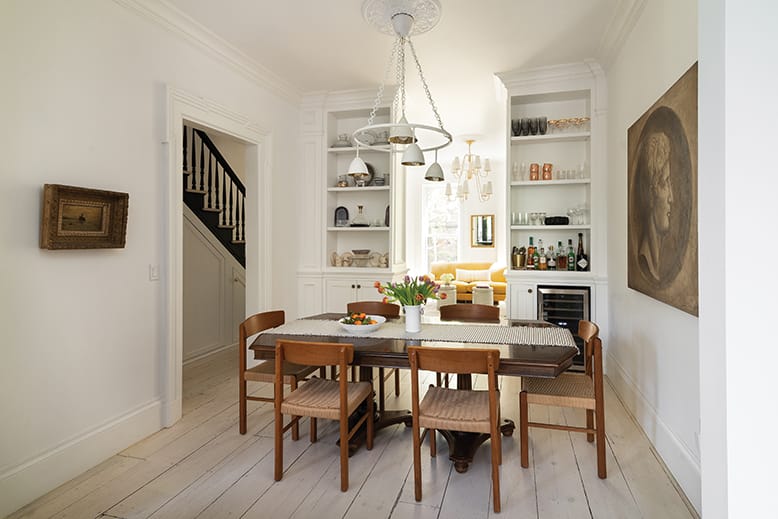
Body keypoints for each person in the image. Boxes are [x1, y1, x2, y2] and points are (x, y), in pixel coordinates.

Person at [638, 131, 673, 282]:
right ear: (651, 193)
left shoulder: (667, 255)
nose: (672, 198)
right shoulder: (645, 257)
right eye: (665, 183)